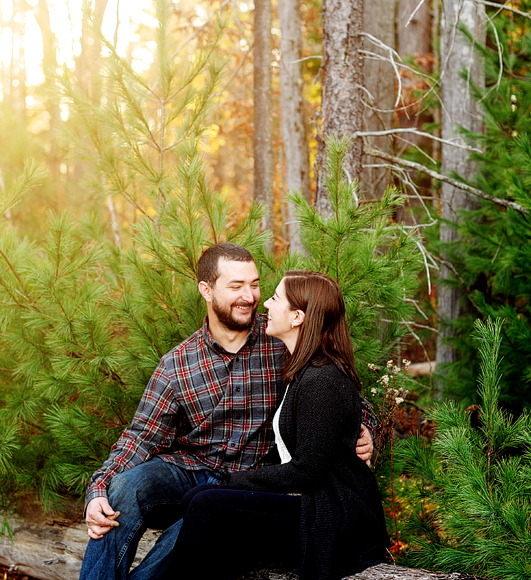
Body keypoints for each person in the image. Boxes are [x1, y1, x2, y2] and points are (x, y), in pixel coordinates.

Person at [79, 244, 375, 580]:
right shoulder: (178, 364)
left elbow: (346, 397)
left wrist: (365, 430)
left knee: (197, 527)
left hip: (250, 480)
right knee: (122, 490)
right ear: (206, 290)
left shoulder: (284, 339)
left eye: (254, 284)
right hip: (189, 470)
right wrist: (97, 489)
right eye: (235, 287)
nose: (249, 297)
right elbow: (139, 438)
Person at [163, 270, 389, 580]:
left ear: (297, 317)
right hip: (307, 503)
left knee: (206, 504)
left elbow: (308, 471)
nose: (265, 304)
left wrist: (236, 480)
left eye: (275, 298)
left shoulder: (321, 379)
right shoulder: (303, 370)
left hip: (332, 514)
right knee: (194, 501)